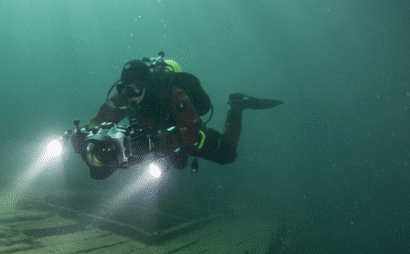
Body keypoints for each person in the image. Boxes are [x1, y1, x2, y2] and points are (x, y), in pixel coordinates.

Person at [75, 53, 282, 179]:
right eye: (125, 89)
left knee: (227, 155)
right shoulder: (126, 95)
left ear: (146, 85)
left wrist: (164, 141)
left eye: (136, 89)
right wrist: (89, 132)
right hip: (148, 137)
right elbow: (105, 115)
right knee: (109, 160)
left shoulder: (174, 94)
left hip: (183, 135)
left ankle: (237, 106)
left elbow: (190, 130)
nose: (130, 96)